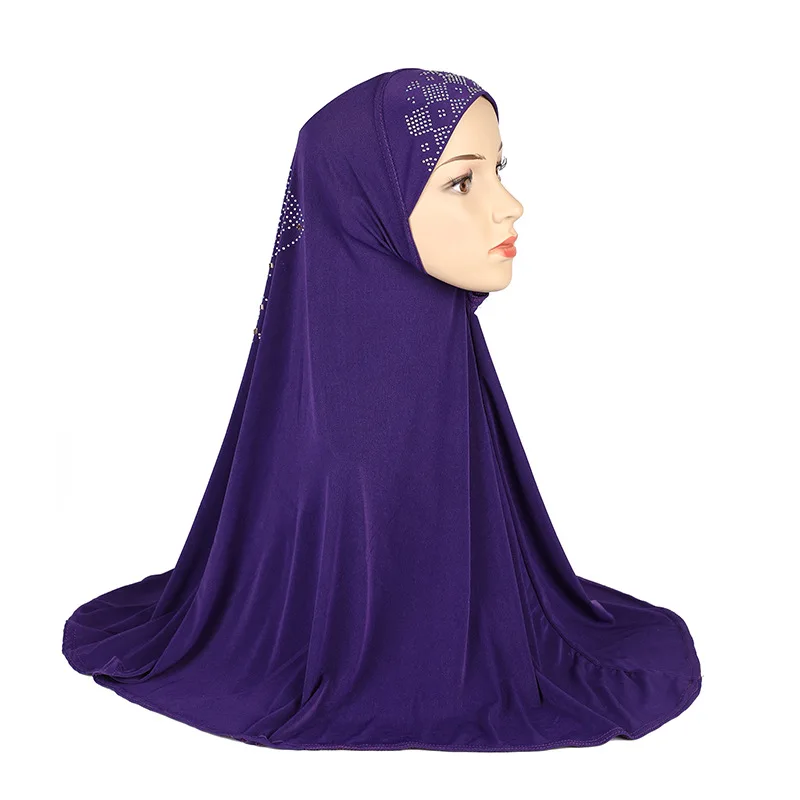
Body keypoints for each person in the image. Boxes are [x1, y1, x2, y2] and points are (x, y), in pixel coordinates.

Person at [62, 67, 702, 752]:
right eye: (462, 181)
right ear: (364, 199)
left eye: (497, 170)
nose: (510, 205)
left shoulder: (439, 348)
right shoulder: (348, 416)